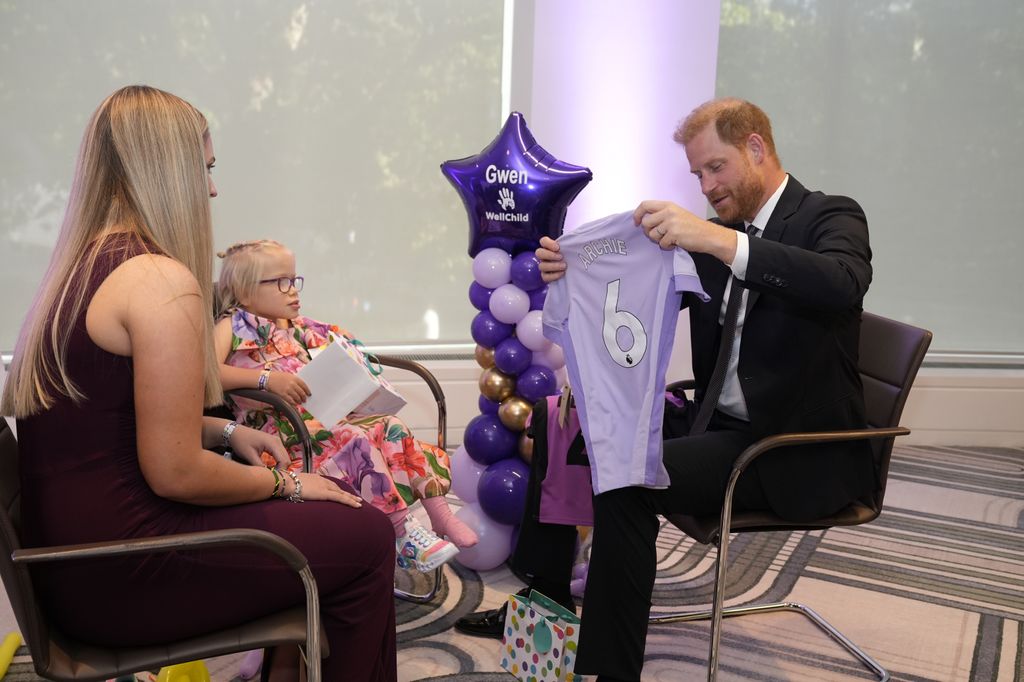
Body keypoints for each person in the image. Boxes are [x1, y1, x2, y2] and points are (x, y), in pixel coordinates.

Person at [455, 97, 873, 682]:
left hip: (787, 447)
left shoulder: (830, 215)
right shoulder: (717, 233)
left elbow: (842, 282)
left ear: (756, 147)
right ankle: (545, 607)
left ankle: (611, 669)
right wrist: (572, 266)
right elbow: (631, 294)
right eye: (697, 174)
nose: (706, 185)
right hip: (715, 422)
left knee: (627, 481)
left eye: (715, 168)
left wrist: (718, 241)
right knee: (560, 424)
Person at [0, 85, 397, 682]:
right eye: (205, 168)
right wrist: (287, 483)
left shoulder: (75, 269)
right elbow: (176, 472)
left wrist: (224, 429)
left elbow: (103, 421)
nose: (212, 189)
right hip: (124, 573)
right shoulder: (157, 281)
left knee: (333, 531)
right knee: (365, 537)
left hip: (71, 568)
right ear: (165, 170)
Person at [213, 238, 478, 571]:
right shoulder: (232, 327)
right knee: (356, 439)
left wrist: (350, 361)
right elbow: (204, 373)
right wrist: (266, 379)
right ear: (245, 290)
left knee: (390, 426)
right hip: (283, 440)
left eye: (295, 280)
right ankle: (401, 534)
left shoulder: (301, 328)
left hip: (325, 423)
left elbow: (338, 362)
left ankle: (439, 515)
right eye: (281, 282)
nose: (293, 290)